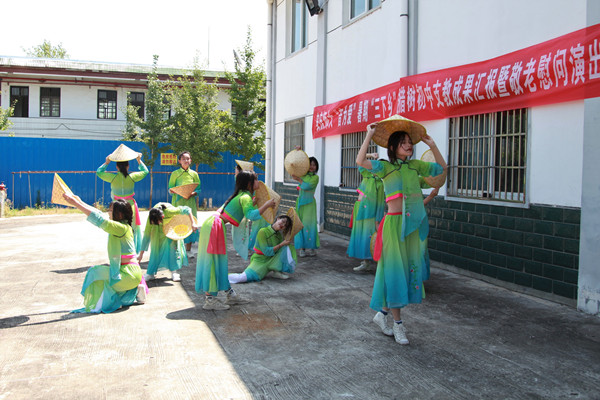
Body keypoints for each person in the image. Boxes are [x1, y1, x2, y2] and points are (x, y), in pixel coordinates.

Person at [355, 118, 446, 345]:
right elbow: (360, 160)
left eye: (410, 142)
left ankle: (382, 314)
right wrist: (368, 135)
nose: (409, 145)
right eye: (403, 142)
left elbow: (441, 170)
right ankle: (398, 325)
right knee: (395, 272)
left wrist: (433, 145)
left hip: (411, 226)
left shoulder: (415, 167)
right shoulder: (384, 167)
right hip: (393, 225)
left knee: (403, 272)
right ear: (393, 146)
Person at [195, 171, 276, 310]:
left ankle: (230, 295)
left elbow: (243, 210)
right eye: (256, 179)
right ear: (249, 183)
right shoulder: (245, 196)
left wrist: (255, 203)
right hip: (214, 226)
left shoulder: (242, 195)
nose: (258, 182)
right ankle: (210, 300)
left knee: (220, 261)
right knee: (213, 261)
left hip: (213, 224)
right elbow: (251, 215)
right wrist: (267, 204)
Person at [62, 193, 145, 313]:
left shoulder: (120, 228)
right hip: (133, 273)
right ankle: (135, 290)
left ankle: (104, 304)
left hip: (128, 274)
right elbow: (99, 214)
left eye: (110, 210)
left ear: (119, 214)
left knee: (95, 272)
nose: (108, 212)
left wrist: (76, 204)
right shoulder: (124, 226)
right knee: (110, 280)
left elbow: (99, 219)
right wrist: (79, 201)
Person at [96, 152, 148, 254]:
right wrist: (139, 160)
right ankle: (131, 253)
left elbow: (99, 172)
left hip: (116, 207)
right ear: (128, 166)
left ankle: (118, 252)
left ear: (117, 167)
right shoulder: (132, 177)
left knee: (116, 228)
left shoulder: (113, 177)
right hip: (130, 206)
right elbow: (145, 171)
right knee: (131, 229)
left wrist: (107, 162)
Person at [138, 202, 198, 282]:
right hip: (157, 231)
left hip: (170, 228)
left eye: (158, 222)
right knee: (155, 250)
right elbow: (146, 235)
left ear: (162, 217)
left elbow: (187, 209)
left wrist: (193, 223)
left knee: (172, 248)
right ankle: (150, 273)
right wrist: (141, 255)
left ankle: (174, 272)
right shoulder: (151, 217)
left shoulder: (169, 211)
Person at [228, 215, 296, 284]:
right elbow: (266, 251)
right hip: (260, 260)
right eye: (283, 221)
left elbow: (280, 251)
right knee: (242, 278)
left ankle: (277, 271)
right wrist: (281, 244)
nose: (283, 225)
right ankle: (223, 277)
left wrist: (285, 242)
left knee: (288, 247)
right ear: (278, 219)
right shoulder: (263, 231)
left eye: (285, 225)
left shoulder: (278, 235)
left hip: (271, 259)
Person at [348, 153, 384, 272]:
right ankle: (365, 262)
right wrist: (371, 155)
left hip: (371, 213)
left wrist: (378, 219)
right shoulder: (366, 174)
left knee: (370, 237)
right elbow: (359, 159)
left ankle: (379, 264)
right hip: (360, 209)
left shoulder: (380, 183)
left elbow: (380, 203)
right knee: (361, 236)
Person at [168, 151, 201, 254]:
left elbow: (198, 189)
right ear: (179, 161)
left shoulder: (194, 174)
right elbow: (170, 189)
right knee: (178, 224)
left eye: (188, 158)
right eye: (183, 159)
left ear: (190, 160)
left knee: (190, 223)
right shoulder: (175, 174)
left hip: (190, 203)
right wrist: (178, 191)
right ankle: (178, 250)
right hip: (178, 204)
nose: (186, 160)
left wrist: (192, 193)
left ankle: (188, 250)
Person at [292, 156, 320, 257]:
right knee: (300, 225)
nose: (312, 166)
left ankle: (312, 248)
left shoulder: (315, 178)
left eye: (314, 165)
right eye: (310, 164)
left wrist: (299, 180)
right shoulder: (302, 175)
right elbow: (295, 168)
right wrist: (298, 153)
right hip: (300, 203)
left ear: (316, 167)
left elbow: (307, 186)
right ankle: (302, 248)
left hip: (310, 204)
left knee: (310, 225)